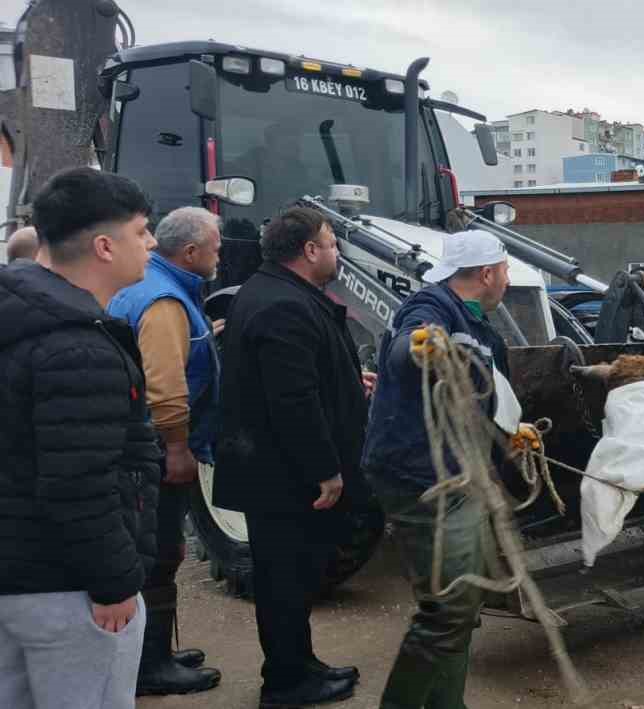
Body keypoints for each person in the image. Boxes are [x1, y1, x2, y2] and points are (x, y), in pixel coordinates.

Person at [0, 167, 161, 709]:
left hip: (17, 575)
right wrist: (115, 581)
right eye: (141, 230)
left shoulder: (20, 314)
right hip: (69, 588)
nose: (152, 242)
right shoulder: (77, 348)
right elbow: (77, 482)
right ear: (103, 246)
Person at [214, 207, 370, 707]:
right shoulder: (283, 304)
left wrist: (348, 375)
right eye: (331, 243)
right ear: (309, 251)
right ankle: (286, 684)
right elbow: (291, 401)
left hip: (278, 470)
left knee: (295, 575)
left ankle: (301, 664)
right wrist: (324, 470)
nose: (336, 251)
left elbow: (302, 373)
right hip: (282, 476)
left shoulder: (280, 293)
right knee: (284, 580)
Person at [362, 230, 523, 708]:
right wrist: (421, 348)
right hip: (420, 478)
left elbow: (490, 400)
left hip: (457, 473)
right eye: (506, 272)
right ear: (489, 273)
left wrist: (515, 435)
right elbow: (409, 346)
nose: (507, 282)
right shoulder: (431, 308)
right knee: (447, 611)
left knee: (463, 604)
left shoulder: (484, 331)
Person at [106, 207, 225, 696]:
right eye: (216, 247)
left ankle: (152, 650)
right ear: (191, 252)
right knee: (162, 550)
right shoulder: (164, 303)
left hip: (138, 442)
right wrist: (177, 447)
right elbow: (166, 387)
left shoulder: (156, 287)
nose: (220, 254)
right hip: (158, 446)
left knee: (156, 546)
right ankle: (150, 664)